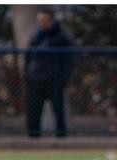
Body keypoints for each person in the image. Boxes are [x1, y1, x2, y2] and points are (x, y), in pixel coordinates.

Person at [24, 8, 73, 137]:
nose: (41, 23)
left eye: (44, 20)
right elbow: (28, 58)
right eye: (39, 21)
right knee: (33, 112)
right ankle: (33, 139)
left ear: (52, 20)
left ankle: (61, 139)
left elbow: (69, 60)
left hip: (54, 80)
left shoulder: (62, 37)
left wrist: (63, 78)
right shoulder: (36, 37)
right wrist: (28, 75)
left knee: (58, 111)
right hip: (35, 80)